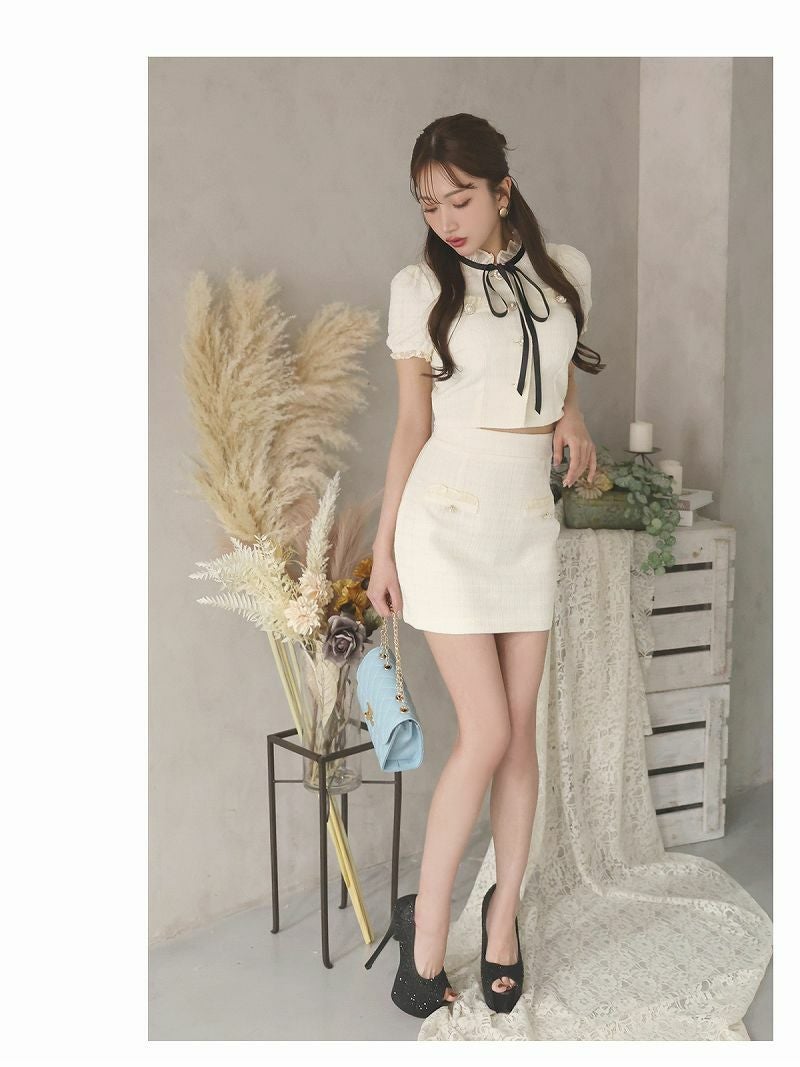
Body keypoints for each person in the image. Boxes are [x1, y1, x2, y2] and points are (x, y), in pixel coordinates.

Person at [365, 112, 606, 1018]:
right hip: (448, 520)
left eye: (459, 199)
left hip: (527, 521)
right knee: (488, 731)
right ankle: (424, 943)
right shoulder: (420, 287)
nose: (446, 221)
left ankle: (503, 921)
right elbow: (411, 426)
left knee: (520, 736)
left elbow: (553, 370)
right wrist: (384, 544)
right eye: (429, 205)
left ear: (503, 190)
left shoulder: (565, 270)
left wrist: (571, 416)